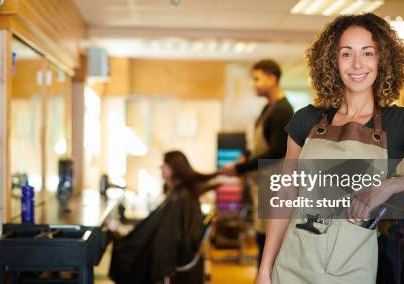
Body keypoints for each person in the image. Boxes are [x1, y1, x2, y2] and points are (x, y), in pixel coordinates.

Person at [256, 13, 404, 284]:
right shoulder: (306, 119)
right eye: (346, 54)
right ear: (333, 60)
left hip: (350, 269)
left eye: (368, 53)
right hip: (292, 263)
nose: (357, 64)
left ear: (383, 59)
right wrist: (265, 270)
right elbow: (286, 194)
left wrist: (389, 186)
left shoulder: (401, 122)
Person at [217, 59, 294, 265]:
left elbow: (277, 151)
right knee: (262, 238)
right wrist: (247, 157)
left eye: (257, 79)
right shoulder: (267, 109)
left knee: (269, 242)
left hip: (275, 184)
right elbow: (261, 146)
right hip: (263, 182)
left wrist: (239, 167)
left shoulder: (283, 111)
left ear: (272, 79)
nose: (254, 84)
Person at [110, 151, 216, 284]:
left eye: (164, 164)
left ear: (174, 168)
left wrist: (123, 237)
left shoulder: (179, 197)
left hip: (175, 254)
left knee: (129, 253)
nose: (161, 167)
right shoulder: (182, 194)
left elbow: (165, 235)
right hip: (179, 251)